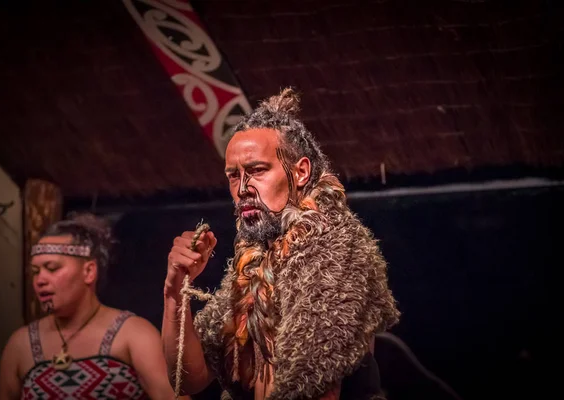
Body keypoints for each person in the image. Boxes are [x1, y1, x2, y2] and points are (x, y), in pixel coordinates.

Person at [163, 88, 400, 399]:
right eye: (234, 176)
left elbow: (313, 387)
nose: (243, 188)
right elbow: (190, 379)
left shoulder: (338, 249)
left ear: (300, 172)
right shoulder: (253, 262)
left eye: (257, 170)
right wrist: (174, 291)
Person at [0, 213, 179, 399]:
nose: (40, 280)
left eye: (52, 268)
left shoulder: (134, 334)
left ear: (89, 272)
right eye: (35, 272)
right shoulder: (20, 345)